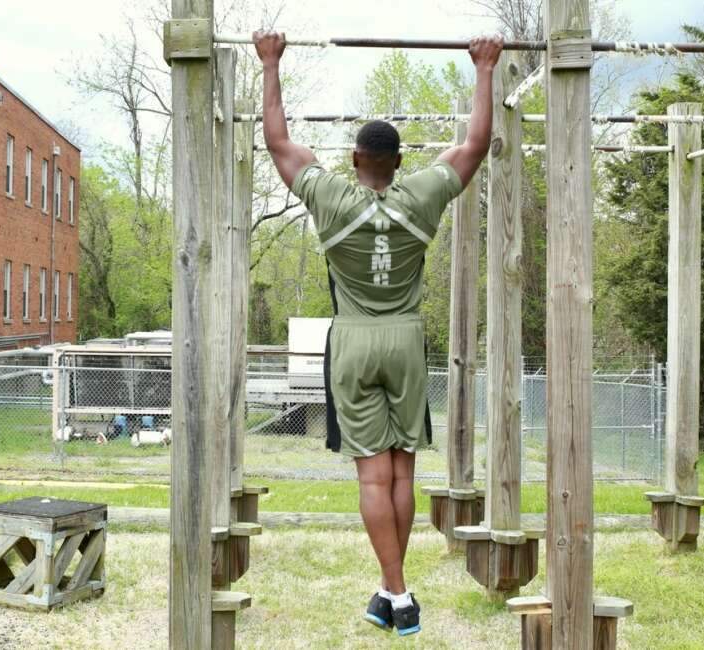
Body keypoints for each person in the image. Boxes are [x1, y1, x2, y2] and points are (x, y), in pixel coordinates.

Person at [253, 30, 503, 637]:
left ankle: (397, 592)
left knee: (373, 477)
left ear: (358, 161)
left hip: (356, 340)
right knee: (403, 474)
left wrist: (270, 62)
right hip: (405, 340)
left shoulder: (332, 197)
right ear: (397, 161)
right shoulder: (423, 195)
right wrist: (485, 67)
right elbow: (476, 142)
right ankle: (391, 590)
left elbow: (278, 139)